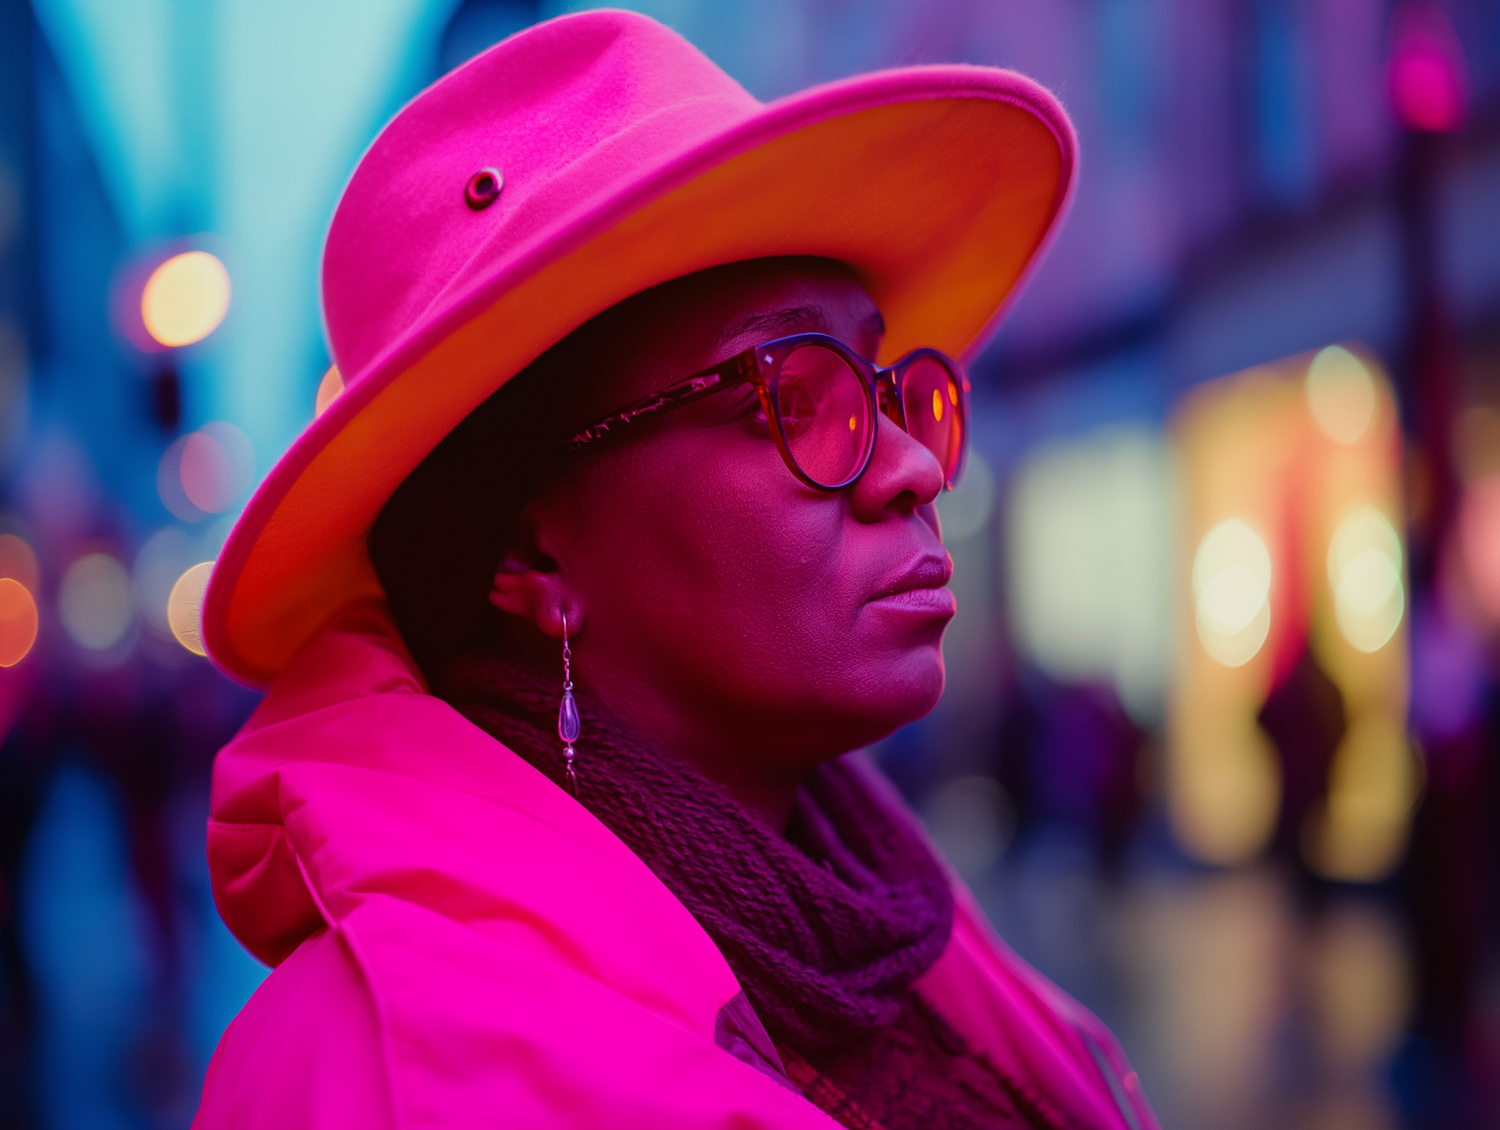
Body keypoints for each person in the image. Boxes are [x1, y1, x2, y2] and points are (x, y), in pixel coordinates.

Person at [192, 10, 1155, 1129]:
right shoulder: (375, 1069)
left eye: (888, 386)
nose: (909, 467)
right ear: (532, 550)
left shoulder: (880, 919)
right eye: (794, 394)